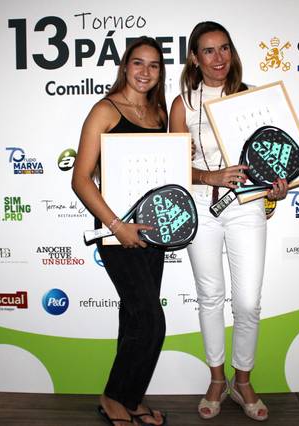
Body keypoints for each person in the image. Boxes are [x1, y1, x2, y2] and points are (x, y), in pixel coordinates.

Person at [169, 22, 288, 421]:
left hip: (247, 206)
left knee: (248, 301)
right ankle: (217, 379)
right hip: (202, 205)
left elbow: (268, 159)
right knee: (209, 296)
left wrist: (277, 183)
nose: (218, 58)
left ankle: (244, 379)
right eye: (208, 51)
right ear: (194, 58)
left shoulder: (251, 98)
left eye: (224, 49)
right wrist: (208, 177)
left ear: (232, 53)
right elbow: (171, 164)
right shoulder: (183, 102)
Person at [71, 36, 169, 426]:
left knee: (134, 318)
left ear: (161, 72)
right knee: (150, 321)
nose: (145, 71)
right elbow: (80, 180)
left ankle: (130, 399)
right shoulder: (105, 111)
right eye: (138, 63)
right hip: (117, 231)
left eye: (154, 65)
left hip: (154, 231)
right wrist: (116, 226)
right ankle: (113, 397)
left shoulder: (160, 114)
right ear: (125, 66)